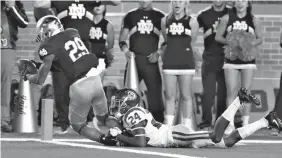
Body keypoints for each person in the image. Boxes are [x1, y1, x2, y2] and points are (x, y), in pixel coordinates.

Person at [24, 15, 120, 145]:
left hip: (80, 85)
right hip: (95, 78)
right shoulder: (72, 32)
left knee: (78, 126)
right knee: (104, 117)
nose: (42, 36)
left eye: (43, 32)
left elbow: (40, 79)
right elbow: (66, 62)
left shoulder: (48, 45)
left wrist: (29, 76)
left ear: (48, 30)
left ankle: (106, 139)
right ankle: (122, 133)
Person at [107, 88, 281, 148]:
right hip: (175, 136)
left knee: (215, 136)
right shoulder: (131, 115)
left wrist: (118, 136)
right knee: (227, 142)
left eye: (119, 102)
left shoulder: (132, 114)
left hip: (174, 135)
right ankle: (265, 121)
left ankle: (238, 100)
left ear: (129, 104)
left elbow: (140, 142)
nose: (116, 106)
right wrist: (119, 136)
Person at [215, 1, 263, 133]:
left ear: (248, 3)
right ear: (234, 3)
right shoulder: (227, 18)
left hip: (248, 59)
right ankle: (230, 125)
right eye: (237, 0)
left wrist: (247, 43)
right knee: (231, 91)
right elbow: (218, 36)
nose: (240, 3)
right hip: (231, 59)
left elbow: (260, 38)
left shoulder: (254, 20)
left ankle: (245, 124)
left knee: (246, 93)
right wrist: (232, 42)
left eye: (243, 0)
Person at [119, 0, 165, 123]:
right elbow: (122, 39)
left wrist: (158, 53)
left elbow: (167, 41)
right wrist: (126, 51)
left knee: (155, 98)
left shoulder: (160, 16)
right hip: (134, 62)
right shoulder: (130, 15)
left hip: (151, 61)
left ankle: (158, 126)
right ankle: (125, 124)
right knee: (128, 95)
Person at [159, 0, 199, 128]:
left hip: (186, 63)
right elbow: (167, 40)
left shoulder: (192, 22)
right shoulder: (165, 20)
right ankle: (168, 127)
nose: (177, 4)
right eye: (175, 1)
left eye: (180, 1)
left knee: (186, 95)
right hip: (169, 62)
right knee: (170, 96)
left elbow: (191, 42)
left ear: (185, 4)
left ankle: (187, 127)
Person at [196, 0, 229, 129]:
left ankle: (219, 124)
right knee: (208, 93)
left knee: (223, 94)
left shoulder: (231, 13)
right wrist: (194, 52)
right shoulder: (203, 15)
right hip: (209, 59)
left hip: (228, 59)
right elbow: (190, 32)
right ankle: (206, 122)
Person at [1, 0, 29, 132]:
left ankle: (3, 120)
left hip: (6, 47)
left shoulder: (15, 3)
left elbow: (24, 23)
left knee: (5, 85)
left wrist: (12, 7)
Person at [89, 4, 114, 81]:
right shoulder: (86, 23)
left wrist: (102, 52)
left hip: (100, 59)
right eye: (96, 4)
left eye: (101, 4)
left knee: (98, 85)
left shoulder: (108, 24)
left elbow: (110, 44)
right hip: (86, 58)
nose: (98, 6)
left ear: (105, 7)